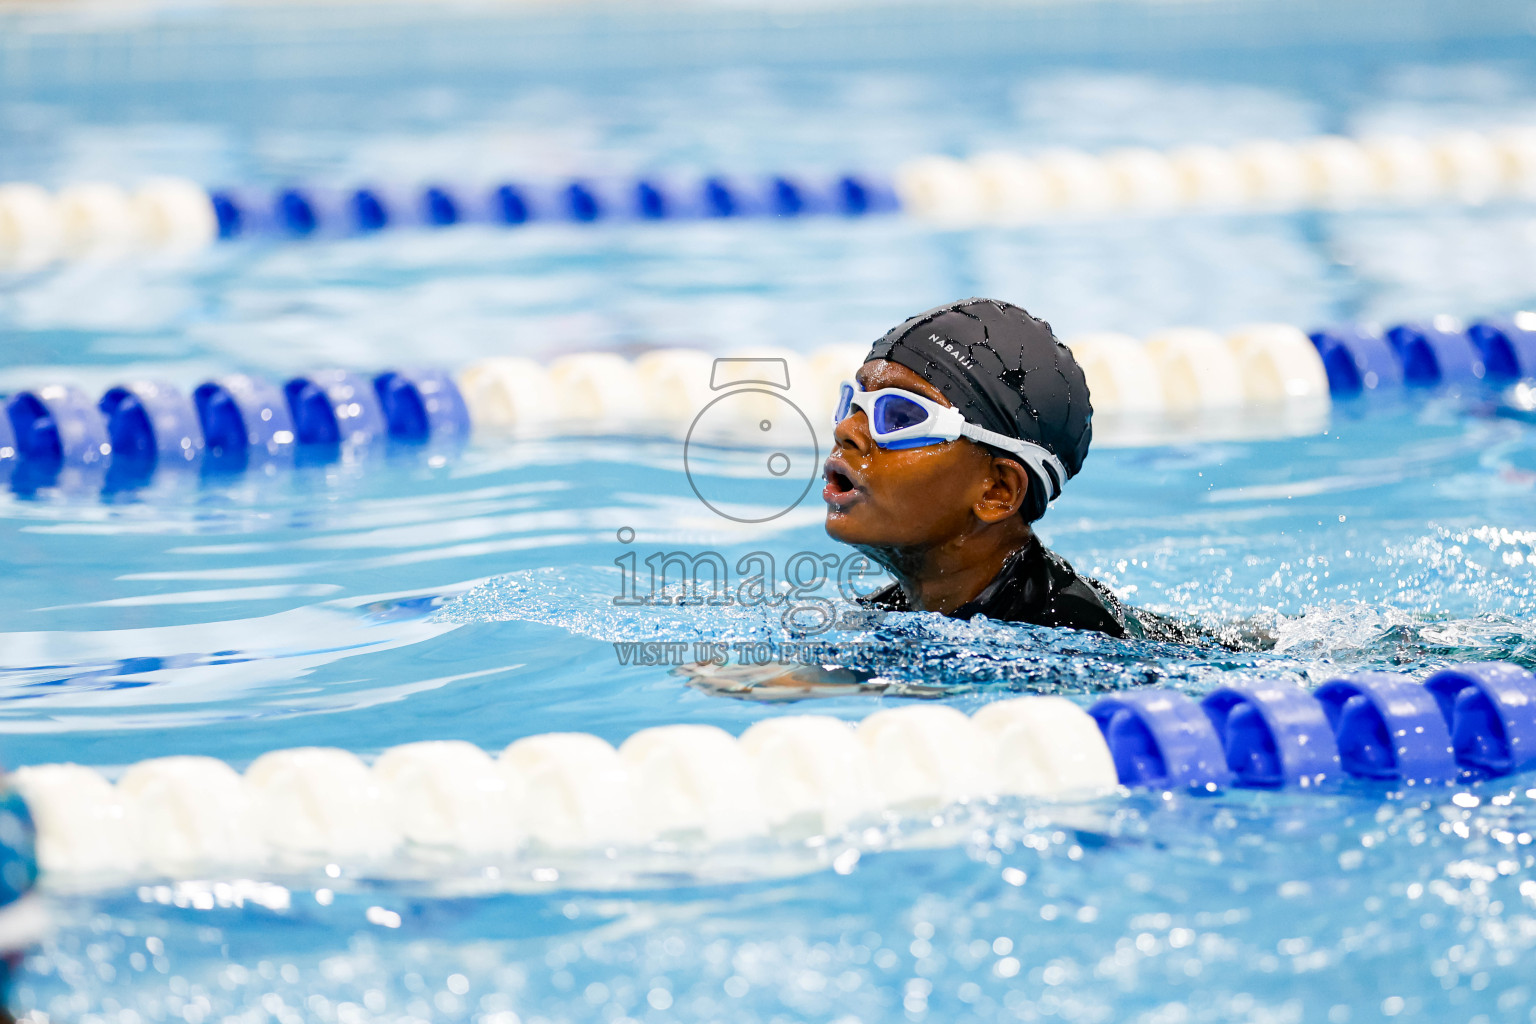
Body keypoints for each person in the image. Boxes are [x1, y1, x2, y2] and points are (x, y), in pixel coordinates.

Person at [679, 297, 1261, 701]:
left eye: (899, 417)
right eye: (853, 403)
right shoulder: (903, 606)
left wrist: (841, 679)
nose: (848, 430)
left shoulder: (1073, 634)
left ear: (997, 490)